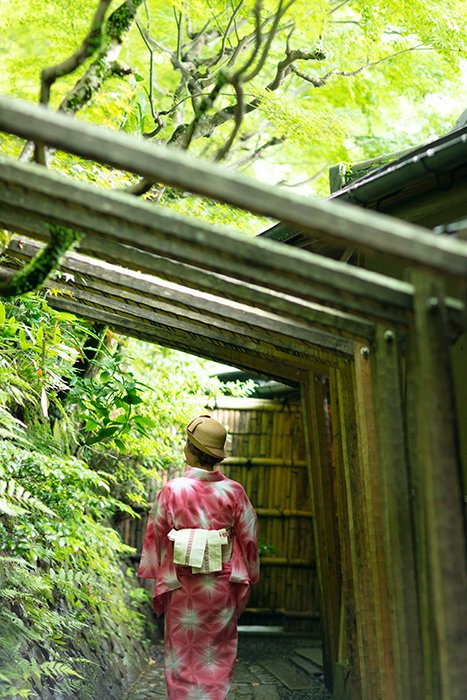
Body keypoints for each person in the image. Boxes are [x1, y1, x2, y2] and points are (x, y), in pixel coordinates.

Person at [138, 414, 260, 700]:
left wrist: (157, 567)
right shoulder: (234, 491)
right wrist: (251, 574)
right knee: (217, 650)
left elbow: (155, 532)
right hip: (222, 585)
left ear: (189, 448)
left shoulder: (173, 489)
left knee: (181, 651)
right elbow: (249, 536)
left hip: (182, 585)